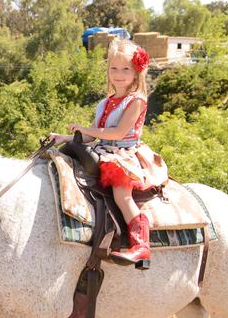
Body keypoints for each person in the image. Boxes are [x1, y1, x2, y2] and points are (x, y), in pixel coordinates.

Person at [49, 38, 168, 269]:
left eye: (125, 69)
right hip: (102, 149)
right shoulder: (105, 103)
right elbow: (92, 137)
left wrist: (86, 130)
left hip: (123, 153)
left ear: (136, 73)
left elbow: (119, 132)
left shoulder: (137, 101)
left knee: (121, 194)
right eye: (114, 68)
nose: (119, 74)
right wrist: (64, 138)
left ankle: (141, 245)